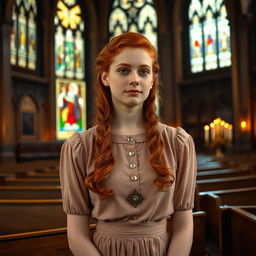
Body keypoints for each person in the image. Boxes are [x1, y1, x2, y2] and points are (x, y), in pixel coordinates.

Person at [60, 32, 197, 256]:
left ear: (152, 79)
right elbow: (77, 235)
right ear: (105, 77)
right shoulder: (79, 148)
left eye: (143, 71)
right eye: (124, 70)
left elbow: (183, 226)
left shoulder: (178, 143)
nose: (135, 79)